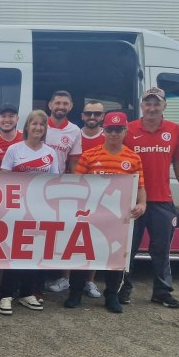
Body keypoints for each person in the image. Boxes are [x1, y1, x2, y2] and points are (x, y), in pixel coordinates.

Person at [65, 111, 146, 313]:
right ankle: (75, 293)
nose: (114, 134)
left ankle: (111, 296)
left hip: (118, 219)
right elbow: (78, 185)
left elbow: (140, 186)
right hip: (91, 215)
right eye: (110, 129)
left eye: (119, 130)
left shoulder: (133, 158)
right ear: (104, 131)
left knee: (115, 256)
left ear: (125, 131)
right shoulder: (89, 155)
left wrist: (142, 204)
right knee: (82, 254)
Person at [121, 87, 179, 308]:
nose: (152, 107)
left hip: (162, 200)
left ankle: (162, 291)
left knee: (161, 249)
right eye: (147, 103)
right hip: (132, 201)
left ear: (164, 106)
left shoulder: (174, 130)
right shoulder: (129, 130)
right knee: (127, 249)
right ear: (142, 105)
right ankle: (122, 288)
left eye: (156, 103)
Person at [0, 110, 60, 316]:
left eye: (42, 125)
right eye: (34, 124)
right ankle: (6, 294)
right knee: (13, 252)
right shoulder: (14, 150)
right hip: (16, 210)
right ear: (27, 127)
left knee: (33, 253)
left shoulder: (51, 153)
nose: (38, 128)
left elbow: (54, 183)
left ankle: (26, 292)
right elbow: (4, 180)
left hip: (39, 211)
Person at [45, 90, 83, 294]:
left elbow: (74, 163)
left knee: (63, 233)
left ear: (71, 106)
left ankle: (64, 278)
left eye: (65, 103)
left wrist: (73, 187)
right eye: (57, 102)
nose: (60, 106)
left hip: (59, 188)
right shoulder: (40, 124)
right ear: (50, 105)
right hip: (35, 188)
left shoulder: (75, 131)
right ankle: (35, 276)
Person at [78, 100, 106, 298]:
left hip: (101, 197)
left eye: (97, 114)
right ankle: (66, 278)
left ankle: (90, 281)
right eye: (89, 113)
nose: (92, 117)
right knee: (73, 238)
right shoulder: (74, 133)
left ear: (102, 116)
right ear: (82, 115)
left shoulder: (109, 135)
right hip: (76, 192)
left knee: (94, 239)